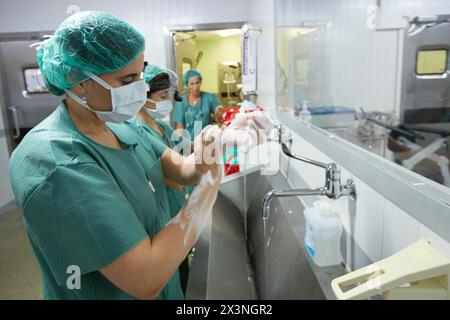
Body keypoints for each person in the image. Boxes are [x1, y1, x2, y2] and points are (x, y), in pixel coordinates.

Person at [8, 11, 225, 300]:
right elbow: (146, 279)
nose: (141, 87)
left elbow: (183, 170)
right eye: (128, 80)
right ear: (80, 82)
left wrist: (209, 146)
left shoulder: (125, 127)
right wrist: (209, 186)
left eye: (140, 73)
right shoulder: (55, 161)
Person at [127, 63, 192, 293]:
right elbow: (175, 178)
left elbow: (188, 150)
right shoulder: (136, 129)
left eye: (168, 95)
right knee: (168, 276)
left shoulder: (161, 126)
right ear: (144, 97)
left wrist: (216, 140)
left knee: (182, 271)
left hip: (176, 210)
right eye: (162, 96)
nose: (167, 101)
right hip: (161, 217)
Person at [173, 69, 225, 140]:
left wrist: (219, 114)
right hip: (189, 142)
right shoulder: (181, 102)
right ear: (187, 85)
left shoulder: (210, 97)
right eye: (192, 84)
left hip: (207, 140)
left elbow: (219, 119)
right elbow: (179, 127)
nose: (195, 87)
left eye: (197, 83)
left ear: (200, 82)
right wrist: (181, 145)